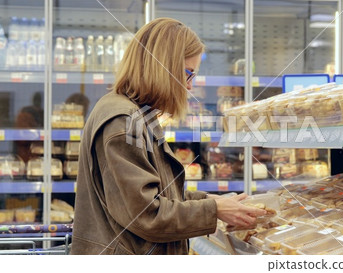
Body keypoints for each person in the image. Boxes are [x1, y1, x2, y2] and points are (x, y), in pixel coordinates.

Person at [71, 18, 266, 255]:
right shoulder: (122, 121)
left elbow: (158, 194)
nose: (190, 86)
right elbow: (146, 215)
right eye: (188, 74)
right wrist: (214, 209)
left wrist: (210, 200)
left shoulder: (137, 114)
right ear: (163, 67)